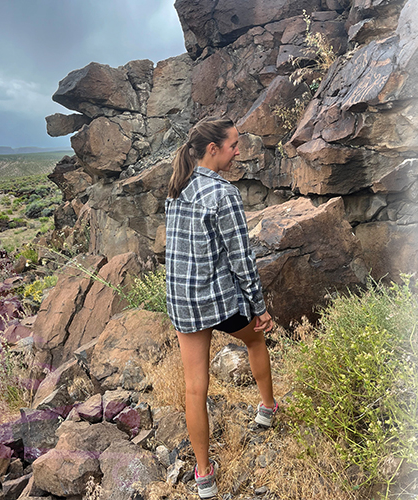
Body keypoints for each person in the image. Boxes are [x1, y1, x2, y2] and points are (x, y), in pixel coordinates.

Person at [164, 117, 277, 499]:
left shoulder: (176, 187)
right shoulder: (223, 193)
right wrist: (259, 308)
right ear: (213, 149)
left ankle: (203, 476)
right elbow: (241, 259)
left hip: (183, 302)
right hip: (218, 300)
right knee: (256, 340)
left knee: (195, 390)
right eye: (233, 145)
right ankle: (267, 408)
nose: (238, 151)